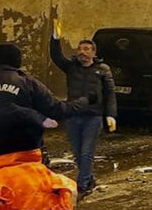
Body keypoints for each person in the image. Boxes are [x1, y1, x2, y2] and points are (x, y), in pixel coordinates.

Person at [0, 43, 91, 163]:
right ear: (18, 62)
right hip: (23, 156)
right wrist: (85, 101)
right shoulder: (29, 84)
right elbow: (57, 110)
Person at [50, 21, 117, 198]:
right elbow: (56, 56)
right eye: (80, 49)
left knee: (87, 151)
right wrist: (55, 39)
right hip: (73, 116)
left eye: (87, 49)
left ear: (94, 53)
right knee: (78, 153)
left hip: (93, 117)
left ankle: (82, 184)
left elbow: (110, 93)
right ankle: (89, 177)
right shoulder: (72, 67)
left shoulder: (102, 70)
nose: (82, 52)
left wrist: (111, 115)